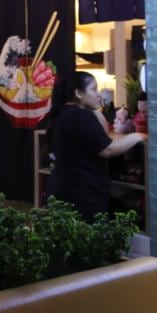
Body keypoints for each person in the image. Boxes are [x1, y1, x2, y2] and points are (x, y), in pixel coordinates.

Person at [47, 71, 146, 222]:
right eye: (94, 89)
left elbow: (102, 134)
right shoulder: (78, 115)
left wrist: (94, 109)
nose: (98, 94)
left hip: (66, 189)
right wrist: (138, 136)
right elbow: (108, 149)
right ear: (79, 93)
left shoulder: (66, 112)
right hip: (81, 193)